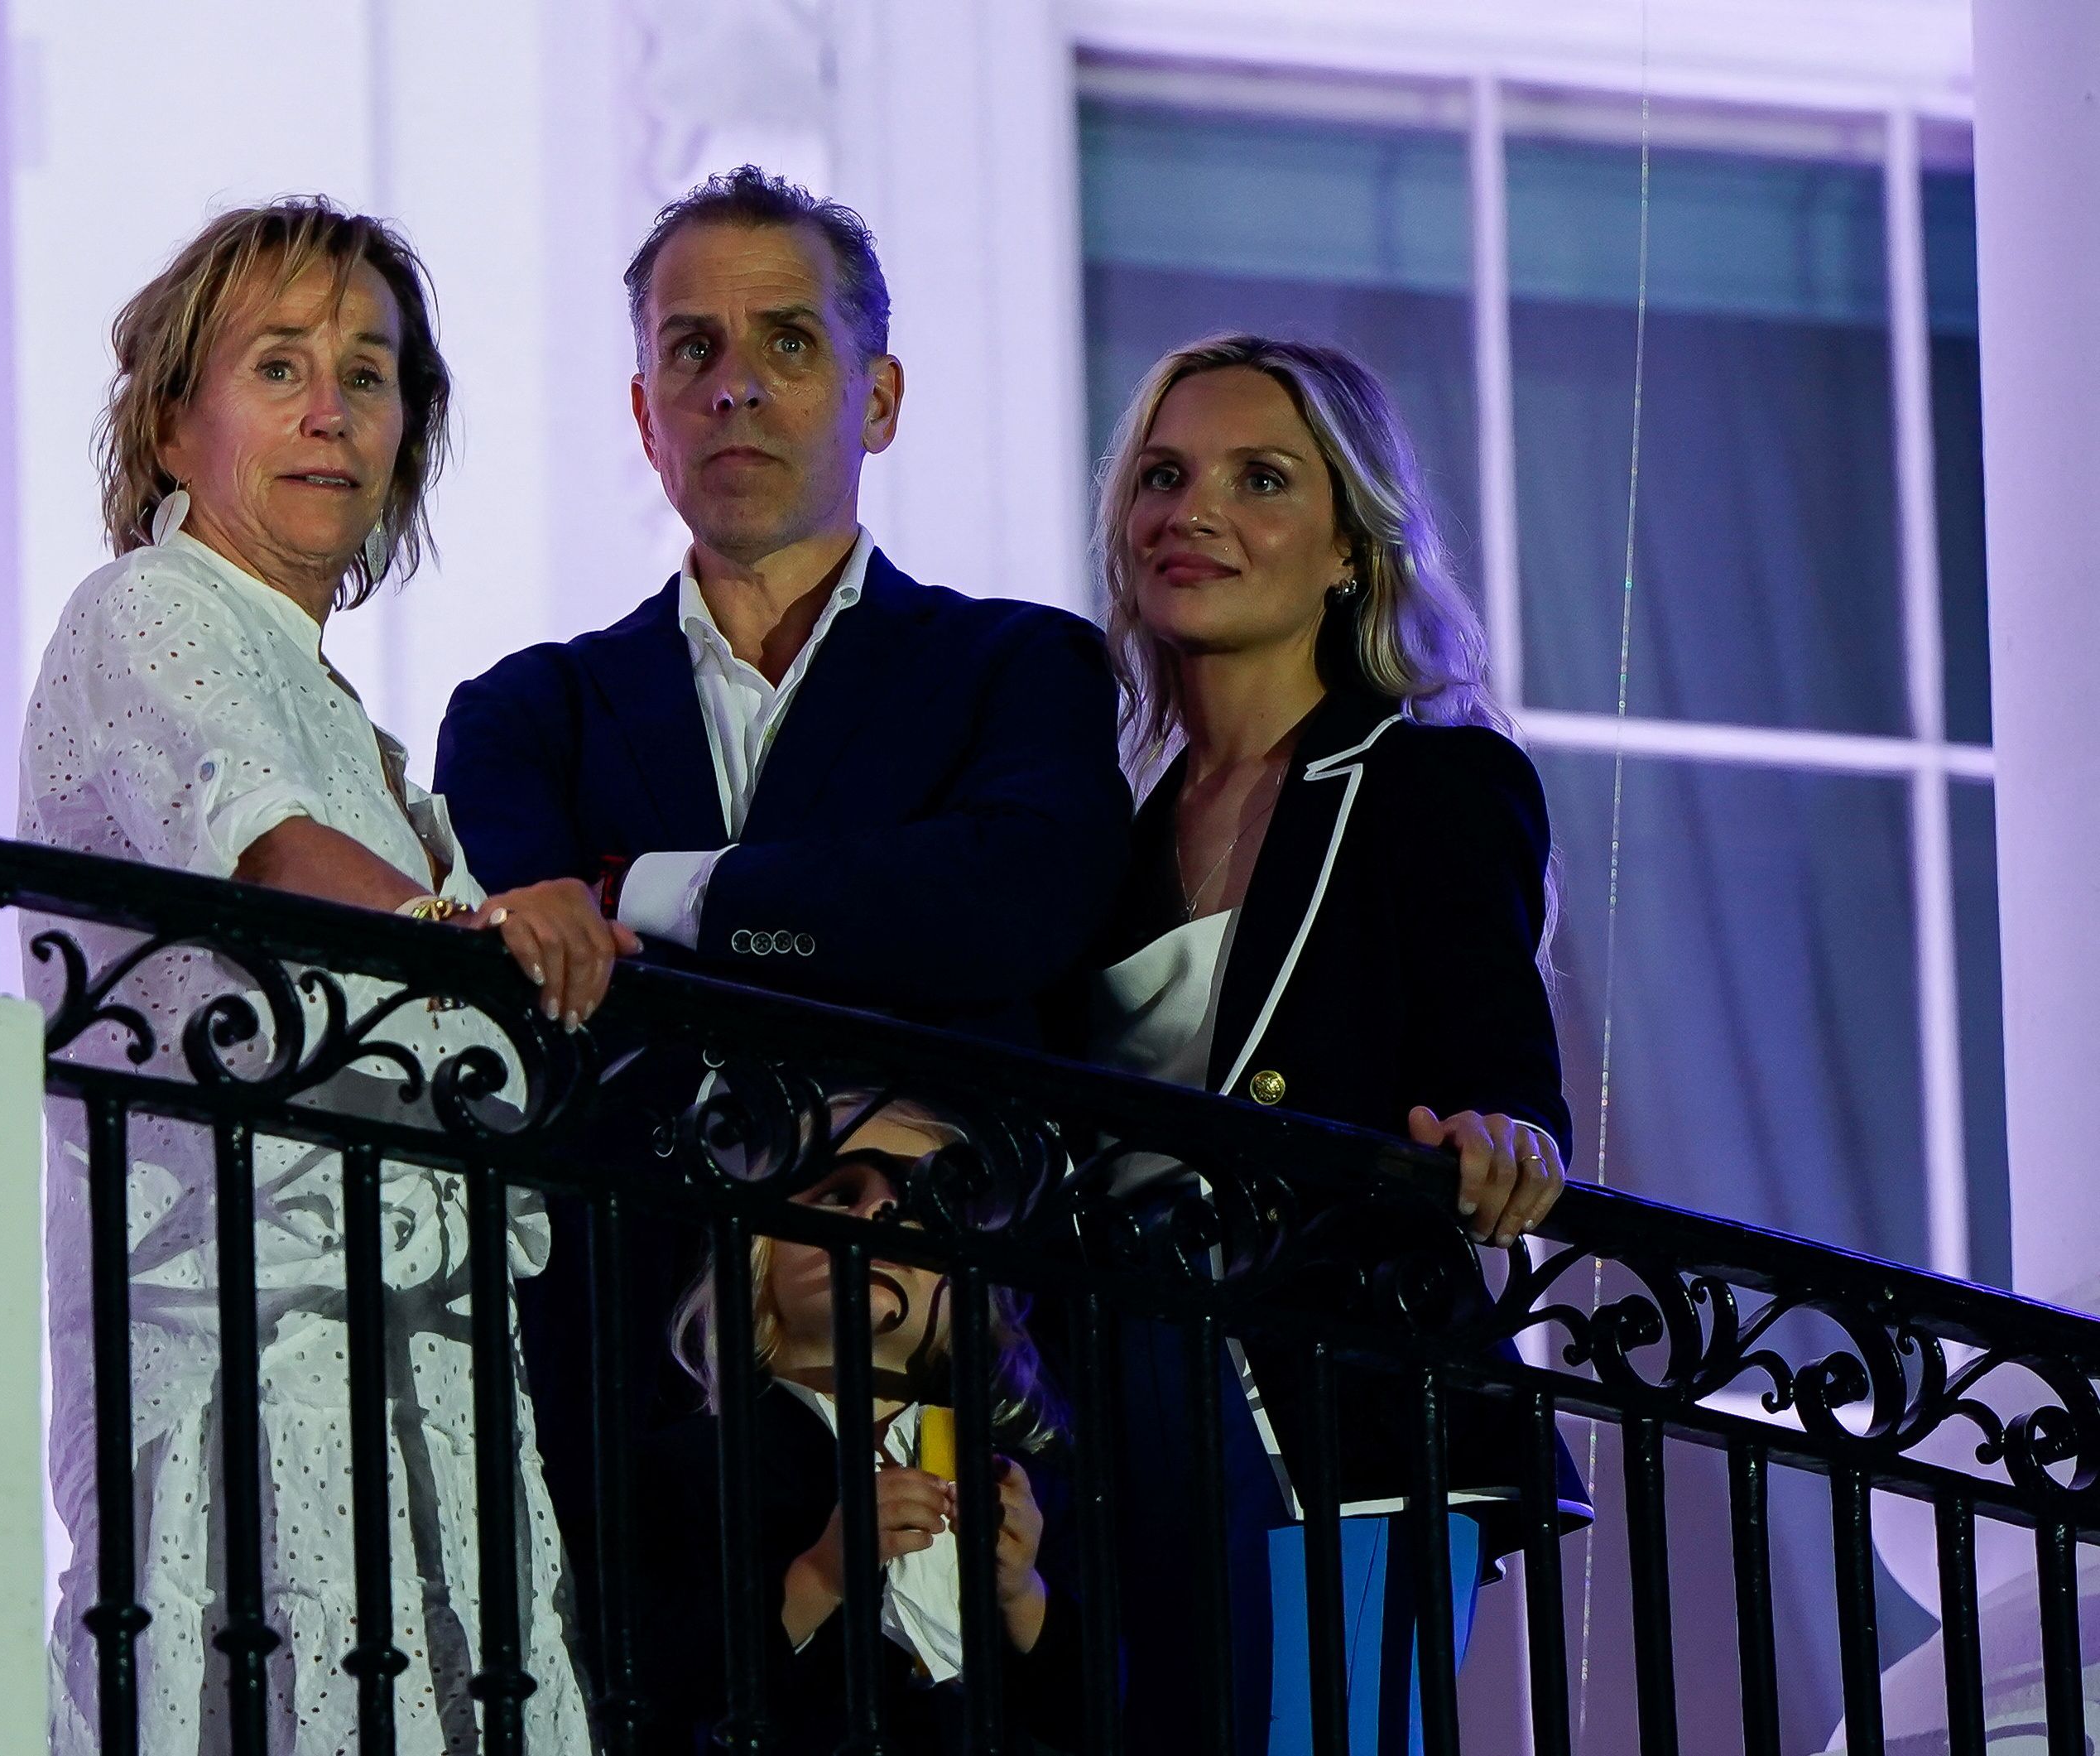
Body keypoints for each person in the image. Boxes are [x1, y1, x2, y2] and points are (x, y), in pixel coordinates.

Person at [18, 199, 631, 1756]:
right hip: (251, 1349)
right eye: (278, 366)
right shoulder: (147, 610)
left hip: (398, 1357)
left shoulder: (347, 711)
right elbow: (274, 862)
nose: (331, 412)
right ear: (170, 424)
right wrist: (487, 937)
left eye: (368, 376)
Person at [1079, 332, 1584, 1754]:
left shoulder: (1429, 778)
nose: (1195, 512)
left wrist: (1501, 1131)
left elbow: (1499, 1063)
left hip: (1341, 1417)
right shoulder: (1097, 837)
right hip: (1118, 1410)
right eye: (1162, 477)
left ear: (1350, 548)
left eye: (1261, 479)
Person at [432, 165, 1131, 1049]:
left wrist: (632, 891)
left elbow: (1008, 918)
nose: (735, 388)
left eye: (788, 342)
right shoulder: (524, 715)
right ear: (648, 421)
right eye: (693, 348)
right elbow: (526, 1010)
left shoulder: (1020, 668)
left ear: (877, 402)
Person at [632, 1098, 1086, 1755]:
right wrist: (819, 1576)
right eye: (840, 1191)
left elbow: (1095, 1712)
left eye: (925, 1200)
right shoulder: (691, 1469)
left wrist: (1023, 1593)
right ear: (757, 1263)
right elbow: (663, 1682)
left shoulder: (1021, 1485)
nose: (881, 1214)